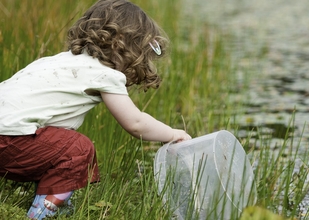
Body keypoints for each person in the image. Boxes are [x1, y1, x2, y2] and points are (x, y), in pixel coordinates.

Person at [0, 0, 191, 219]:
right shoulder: (104, 73)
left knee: (58, 140)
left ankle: (56, 199)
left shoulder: (58, 61)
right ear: (128, 47)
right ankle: (41, 213)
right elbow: (136, 123)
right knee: (78, 150)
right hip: (9, 140)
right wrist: (173, 134)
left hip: (8, 134)